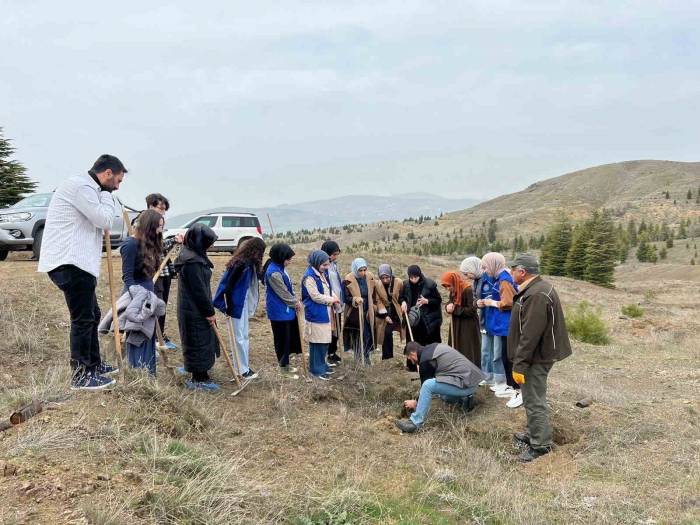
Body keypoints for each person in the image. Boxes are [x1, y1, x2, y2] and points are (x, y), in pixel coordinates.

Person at [38, 154, 127, 390]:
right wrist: (107, 197)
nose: (117, 187)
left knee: (92, 314)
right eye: (117, 181)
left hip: (78, 262)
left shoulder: (88, 188)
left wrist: (104, 196)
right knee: (83, 318)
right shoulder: (81, 187)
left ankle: (94, 365)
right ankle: (81, 375)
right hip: (69, 261)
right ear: (107, 173)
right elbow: (104, 220)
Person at [507, 254, 572, 461]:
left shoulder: (536, 294)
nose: (511, 273)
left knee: (534, 400)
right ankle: (534, 432)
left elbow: (530, 334)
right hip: (535, 356)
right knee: (530, 398)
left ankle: (541, 445)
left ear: (522, 271)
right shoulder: (536, 289)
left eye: (513, 269)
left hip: (536, 357)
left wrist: (519, 363)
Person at [395, 342, 485, 433]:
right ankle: (465, 401)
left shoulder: (425, 360)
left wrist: (415, 402)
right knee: (439, 392)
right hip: (472, 382)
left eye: (410, 359)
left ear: (412, 354)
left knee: (428, 385)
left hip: (466, 384)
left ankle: (414, 423)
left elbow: (425, 388)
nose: (411, 361)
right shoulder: (432, 349)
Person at [174, 223, 220, 391]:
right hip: (194, 310)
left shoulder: (192, 254)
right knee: (198, 341)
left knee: (197, 340)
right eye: (209, 242)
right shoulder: (192, 262)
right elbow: (199, 291)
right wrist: (209, 312)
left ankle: (196, 371)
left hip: (192, 308)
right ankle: (198, 379)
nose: (212, 246)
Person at [213, 237, 266, 380]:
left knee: (243, 336)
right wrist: (229, 307)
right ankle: (241, 370)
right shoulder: (241, 264)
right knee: (238, 337)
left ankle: (243, 367)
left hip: (240, 304)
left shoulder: (248, 263)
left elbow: (260, 278)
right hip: (235, 305)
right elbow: (228, 287)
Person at [119, 209, 164, 375]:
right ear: (149, 226)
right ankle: (137, 373)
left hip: (148, 293)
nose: (160, 230)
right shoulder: (130, 245)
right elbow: (128, 277)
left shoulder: (150, 244)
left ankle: (148, 372)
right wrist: (138, 299)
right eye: (158, 227)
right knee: (138, 334)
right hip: (136, 296)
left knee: (148, 333)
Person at [479, 252, 521, 408]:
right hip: (498, 324)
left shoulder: (504, 280)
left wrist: (491, 302)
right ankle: (503, 384)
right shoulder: (498, 278)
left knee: (505, 355)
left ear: (493, 264)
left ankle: (510, 386)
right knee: (499, 355)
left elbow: (508, 302)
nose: (484, 270)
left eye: (485, 267)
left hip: (505, 325)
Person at [145, 193, 183, 350]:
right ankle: (153, 338)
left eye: (164, 209)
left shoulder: (158, 223)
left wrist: (173, 241)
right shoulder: (144, 223)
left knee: (162, 305)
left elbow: (160, 246)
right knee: (156, 305)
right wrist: (173, 240)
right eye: (160, 208)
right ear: (150, 206)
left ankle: (160, 336)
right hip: (154, 273)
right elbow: (153, 248)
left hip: (164, 271)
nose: (163, 212)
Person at [263, 243, 302, 377]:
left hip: (285, 310)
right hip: (279, 311)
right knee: (281, 339)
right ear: (280, 257)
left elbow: (288, 288)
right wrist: (295, 302)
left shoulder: (280, 268)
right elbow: (283, 292)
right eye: (288, 259)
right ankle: (283, 367)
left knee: (287, 338)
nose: (290, 261)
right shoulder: (274, 273)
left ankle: (286, 364)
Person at [301, 250, 340, 380]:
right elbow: (315, 296)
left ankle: (322, 365)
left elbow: (329, 289)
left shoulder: (322, 274)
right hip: (316, 313)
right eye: (324, 265)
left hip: (325, 312)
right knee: (317, 342)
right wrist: (331, 300)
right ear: (317, 263)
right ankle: (316, 370)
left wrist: (335, 298)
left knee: (324, 341)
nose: (326, 267)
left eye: (327, 264)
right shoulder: (309, 277)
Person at [460, 256, 492, 384]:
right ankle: (485, 375)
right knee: (485, 350)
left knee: (491, 351)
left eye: (467, 273)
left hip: (491, 318)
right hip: (483, 318)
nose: (466, 276)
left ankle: (493, 377)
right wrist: (476, 302)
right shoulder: (476, 281)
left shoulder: (487, 279)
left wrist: (482, 302)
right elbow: (474, 299)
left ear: (473, 269)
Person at [441, 271, 480, 366]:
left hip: (468, 325)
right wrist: (447, 307)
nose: (448, 289)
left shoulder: (467, 290)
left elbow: (472, 310)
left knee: (466, 349)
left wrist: (455, 309)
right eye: (445, 287)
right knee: (456, 347)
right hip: (456, 323)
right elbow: (450, 302)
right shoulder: (454, 290)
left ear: (454, 282)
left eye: (449, 286)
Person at [342, 258, 376, 366]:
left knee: (367, 334)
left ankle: (366, 356)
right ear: (355, 269)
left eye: (364, 270)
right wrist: (355, 299)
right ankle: (359, 357)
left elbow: (374, 292)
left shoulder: (369, 277)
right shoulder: (348, 279)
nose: (363, 273)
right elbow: (345, 298)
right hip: (355, 312)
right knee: (358, 334)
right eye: (360, 270)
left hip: (367, 310)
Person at [399, 265, 442, 345]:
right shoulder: (405, 284)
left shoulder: (430, 284)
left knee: (428, 347)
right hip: (412, 319)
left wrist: (427, 301)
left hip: (427, 321)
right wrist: (403, 302)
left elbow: (438, 300)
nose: (413, 280)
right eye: (411, 278)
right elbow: (401, 297)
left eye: (415, 277)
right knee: (414, 346)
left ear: (419, 275)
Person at [321, 240, 344, 363]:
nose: (335, 257)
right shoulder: (323, 267)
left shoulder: (334, 265)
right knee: (330, 328)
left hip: (337, 301)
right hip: (330, 302)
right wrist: (332, 299)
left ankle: (332, 352)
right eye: (333, 254)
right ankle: (326, 353)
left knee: (337, 328)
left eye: (337, 254)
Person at [374, 264, 404, 360]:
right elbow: (378, 301)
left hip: (398, 313)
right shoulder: (377, 284)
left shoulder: (398, 282)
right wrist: (385, 316)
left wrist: (403, 303)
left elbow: (403, 295)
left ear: (391, 275)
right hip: (386, 313)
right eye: (383, 278)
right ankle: (387, 357)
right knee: (386, 333)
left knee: (406, 331)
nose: (385, 280)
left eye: (387, 277)